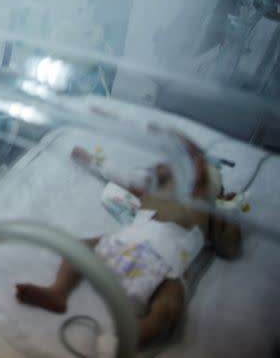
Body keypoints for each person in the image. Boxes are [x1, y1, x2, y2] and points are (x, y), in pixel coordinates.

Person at [14, 137, 242, 346]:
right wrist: (92, 160)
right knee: (81, 246)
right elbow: (120, 175)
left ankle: (136, 335)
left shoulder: (206, 212)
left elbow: (229, 247)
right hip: (125, 245)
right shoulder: (153, 191)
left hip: (166, 268)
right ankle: (57, 292)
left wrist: (231, 212)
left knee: (170, 307)